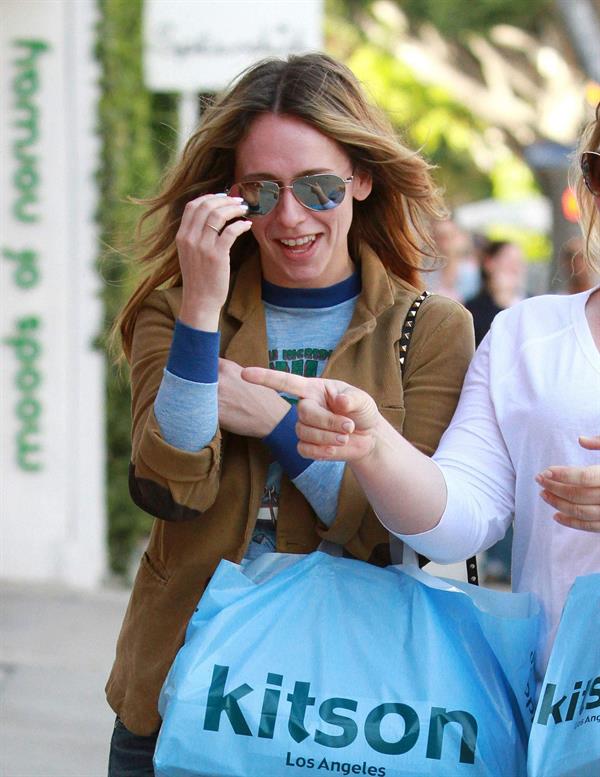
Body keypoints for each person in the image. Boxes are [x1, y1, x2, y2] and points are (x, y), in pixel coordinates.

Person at [106, 53, 475, 772]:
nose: (291, 216)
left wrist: (272, 418)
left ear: (362, 179)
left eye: (320, 187)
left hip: (345, 709)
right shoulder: (174, 310)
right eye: (261, 191)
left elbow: (393, 523)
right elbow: (168, 484)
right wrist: (203, 308)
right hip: (180, 686)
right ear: (229, 194)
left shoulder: (429, 328)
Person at [244, 102, 600, 688]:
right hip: (563, 718)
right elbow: (455, 520)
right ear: (587, 184)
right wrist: (374, 443)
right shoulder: (526, 336)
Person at [465, 239, 526, 346]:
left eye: (518, 262)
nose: (515, 267)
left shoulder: (530, 303)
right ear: (489, 263)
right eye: (509, 260)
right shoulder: (472, 310)